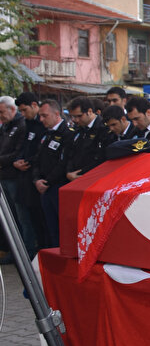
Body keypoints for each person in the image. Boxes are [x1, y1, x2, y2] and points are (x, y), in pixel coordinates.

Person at [32, 100, 75, 248]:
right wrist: (37, 179)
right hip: (44, 187)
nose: (41, 119)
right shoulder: (46, 134)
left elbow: (63, 163)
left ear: (56, 114)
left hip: (58, 186)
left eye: (45, 115)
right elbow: (37, 159)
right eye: (40, 116)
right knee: (50, 228)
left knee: (61, 229)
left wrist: (47, 182)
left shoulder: (67, 134)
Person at [13, 92, 45, 254]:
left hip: (38, 179)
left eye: (25, 110)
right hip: (25, 178)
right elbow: (23, 147)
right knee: (27, 218)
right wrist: (18, 160)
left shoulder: (42, 124)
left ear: (34, 105)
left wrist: (29, 162)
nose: (23, 114)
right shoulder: (28, 124)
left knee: (40, 221)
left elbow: (41, 153)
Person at [0, 96, 27, 263]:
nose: (0, 115)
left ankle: (20, 252)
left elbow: (17, 153)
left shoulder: (21, 126)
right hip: (5, 176)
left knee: (18, 218)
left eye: (2, 112)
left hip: (14, 178)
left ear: (12, 110)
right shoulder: (6, 126)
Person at [65, 96, 108, 180]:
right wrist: (69, 172)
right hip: (74, 177)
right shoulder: (78, 129)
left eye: (79, 116)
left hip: (92, 178)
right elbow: (70, 153)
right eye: (73, 117)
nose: (76, 120)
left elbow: (101, 158)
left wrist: (82, 174)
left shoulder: (103, 129)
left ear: (90, 111)